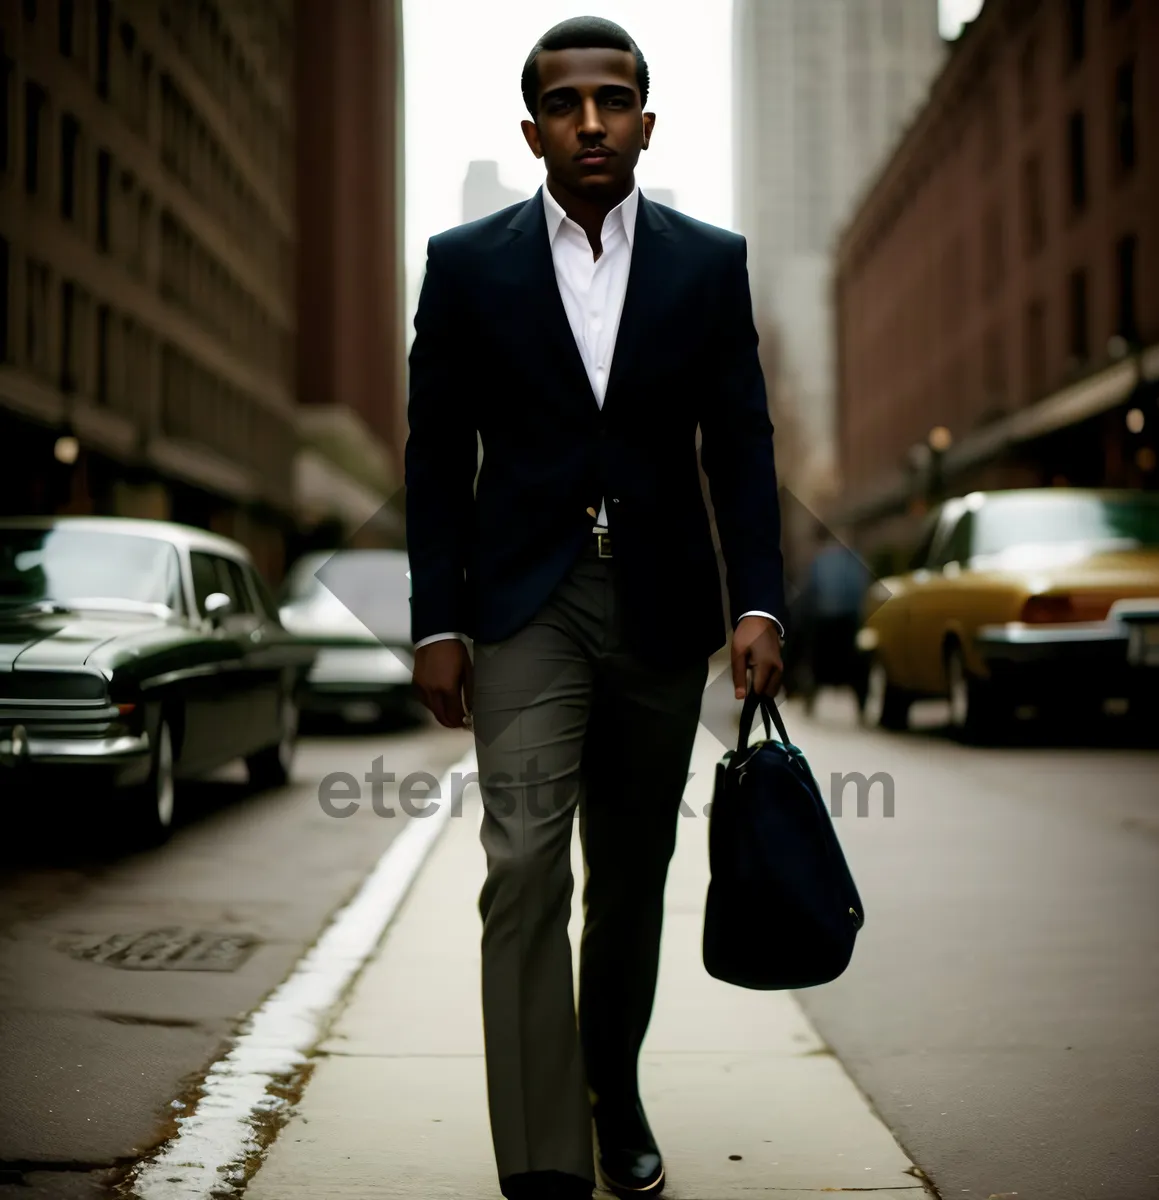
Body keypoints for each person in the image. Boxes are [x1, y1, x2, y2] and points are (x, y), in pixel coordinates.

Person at [404, 17, 786, 1200]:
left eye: (613, 101)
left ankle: (610, 1088)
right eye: (566, 105)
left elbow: (742, 445)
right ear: (532, 129)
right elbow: (435, 455)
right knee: (523, 867)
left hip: (665, 610)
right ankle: (541, 1159)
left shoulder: (706, 262)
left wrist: (759, 603)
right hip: (527, 603)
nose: (590, 123)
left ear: (645, 123)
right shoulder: (465, 264)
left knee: (631, 876)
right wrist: (436, 621)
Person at [786, 527, 871, 712]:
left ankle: (809, 694)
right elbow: (861, 588)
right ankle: (860, 702)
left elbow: (811, 594)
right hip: (849, 621)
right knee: (853, 662)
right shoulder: (851, 558)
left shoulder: (820, 561)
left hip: (824, 621)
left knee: (816, 659)